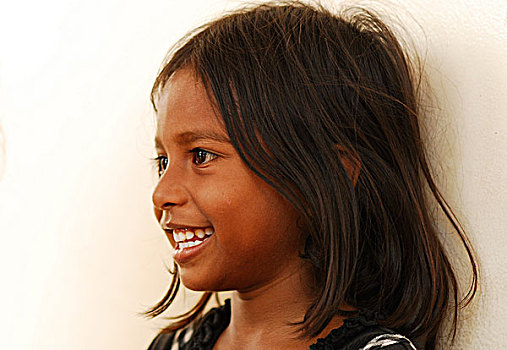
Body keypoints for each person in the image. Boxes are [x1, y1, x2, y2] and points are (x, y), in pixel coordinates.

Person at [145, 2, 478, 349]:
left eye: (201, 155)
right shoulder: (171, 345)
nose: (161, 193)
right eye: (162, 162)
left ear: (328, 176)